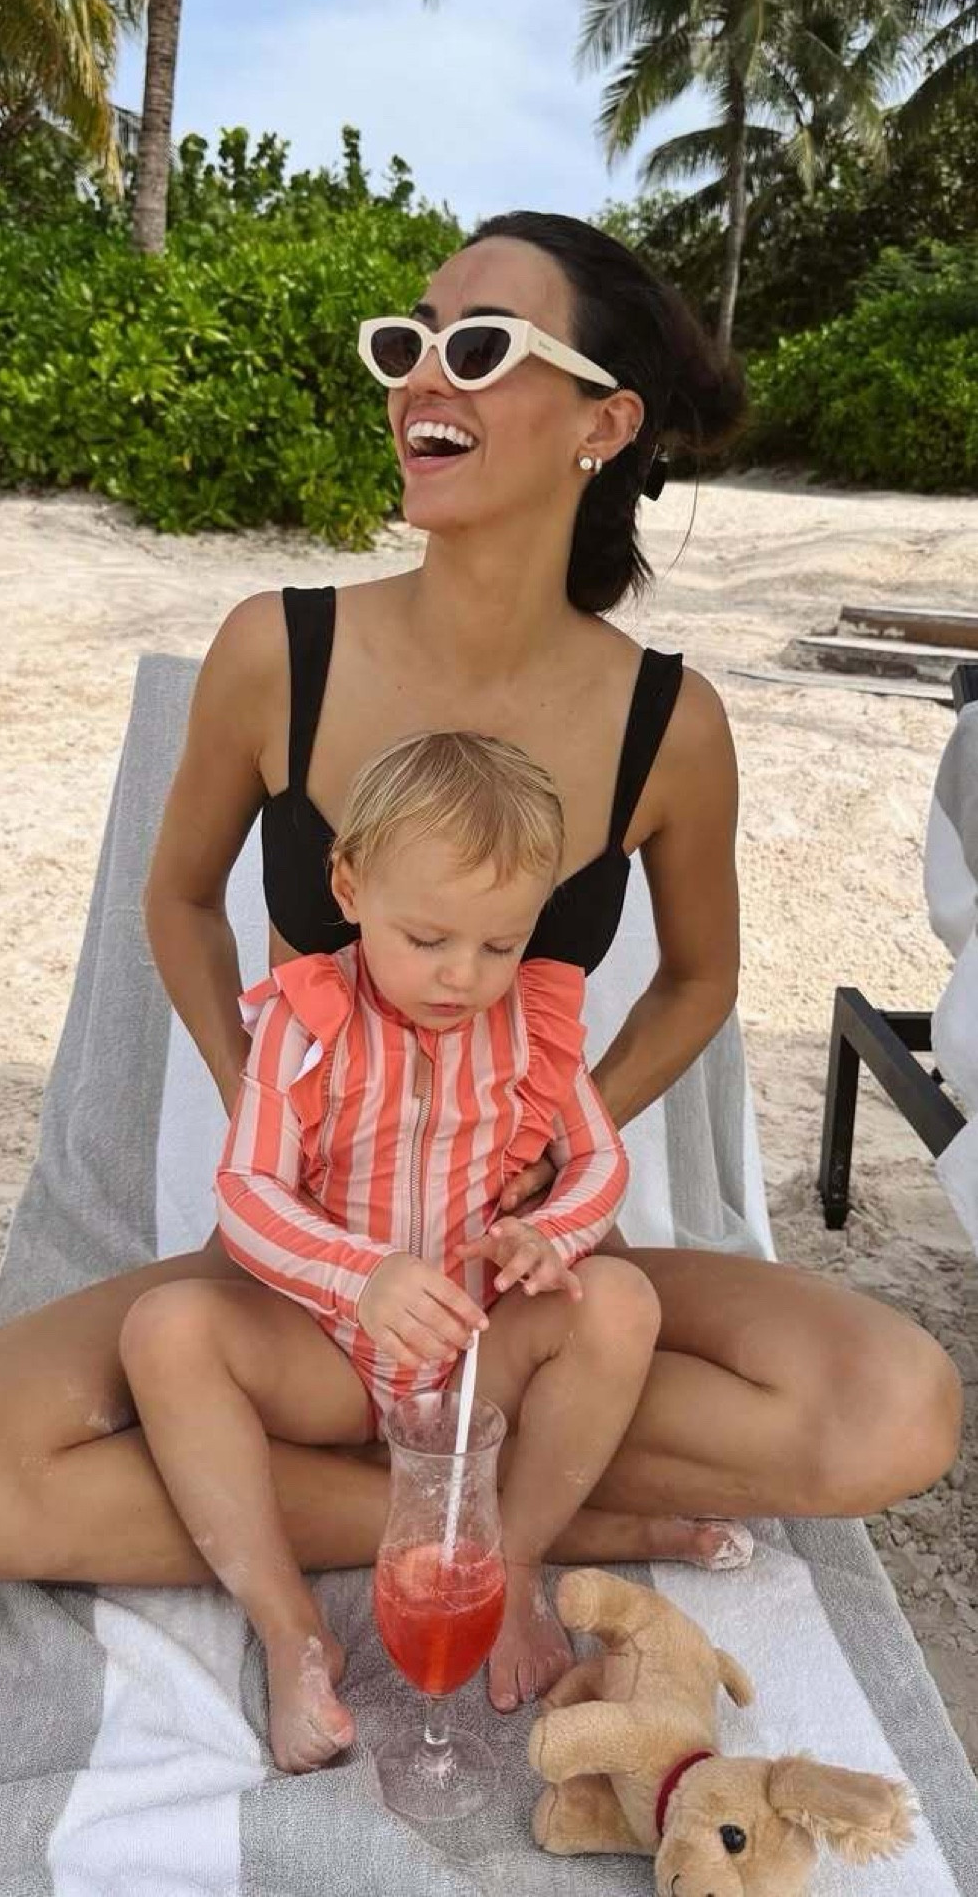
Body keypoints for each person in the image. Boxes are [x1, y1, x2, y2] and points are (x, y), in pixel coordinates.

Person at [0, 209, 961, 1633]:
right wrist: (260, 1098)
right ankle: (508, 1518)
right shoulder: (280, 650)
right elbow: (179, 896)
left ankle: (377, 1483)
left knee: (894, 1407)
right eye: (408, 345)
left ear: (603, 422)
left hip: (520, 1281)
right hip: (304, 1278)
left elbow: (699, 980)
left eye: (481, 346)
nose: (421, 380)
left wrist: (562, 1135)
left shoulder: (668, 722)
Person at [128, 728, 678, 1770]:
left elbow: (602, 1161)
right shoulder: (308, 1019)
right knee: (165, 1330)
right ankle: (292, 1630)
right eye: (426, 938)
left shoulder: (531, 1022)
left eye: (500, 945)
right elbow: (244, 1190)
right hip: (332, 1352)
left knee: (622, 1299)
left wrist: (551, 1231)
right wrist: (359, 1274)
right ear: (349, 886)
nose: (462, 975)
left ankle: (514, 1563)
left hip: (478, 1354)